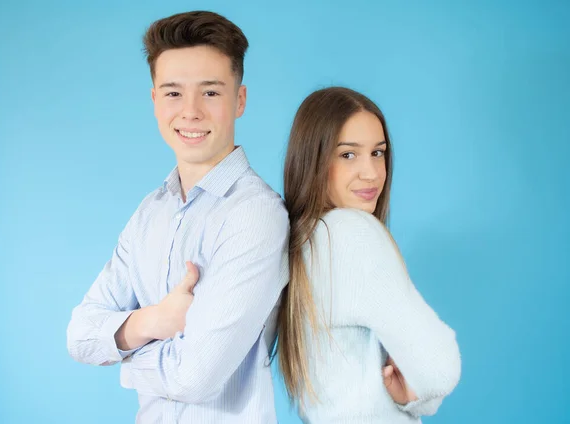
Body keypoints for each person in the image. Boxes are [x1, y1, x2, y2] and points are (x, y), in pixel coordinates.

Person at [66, 11, 289, 423]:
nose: (190, 112)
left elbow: (195, 378)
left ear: (239, 100)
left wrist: (125, 348)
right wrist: (157, 319)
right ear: (154, 101)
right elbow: (79, 335)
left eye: (210, 93)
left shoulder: (256, 216)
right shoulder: (150, 212)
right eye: (173, 93)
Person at [277, 87, 461, 423]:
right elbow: (439, 369)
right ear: (313, 159)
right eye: (348, 155)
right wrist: (416, 398)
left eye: (378, 153)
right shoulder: (351, 234)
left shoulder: (301, 241)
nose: (371, 173)